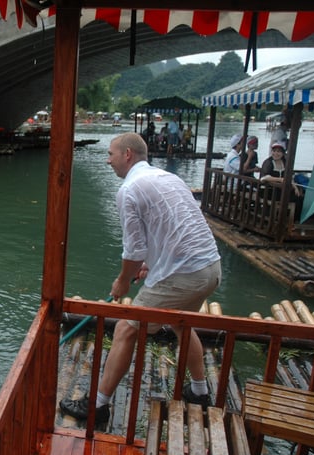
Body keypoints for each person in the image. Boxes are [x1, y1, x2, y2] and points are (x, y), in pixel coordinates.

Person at [60, 132, 221, 423]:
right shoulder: (168, 178)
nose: (108, 160)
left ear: (128, 155)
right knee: (181, 324)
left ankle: (97, 406)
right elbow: (175, 229)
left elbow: (133, 249)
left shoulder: (129, 190)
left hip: (183, 274)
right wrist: (149, 263)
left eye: (111, 154)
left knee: (126, 328)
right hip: (210, 268)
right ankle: (198, 391)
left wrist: (124, 279)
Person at [260, 141, 302, 217]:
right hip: (269, 190)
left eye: (279, 151)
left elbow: (290, 176)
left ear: (283, 153)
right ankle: (279, 216)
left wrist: (295, 187)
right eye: (274, 151)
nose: (276, 154)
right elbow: (264, 178)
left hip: (281, 190)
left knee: (299, 197)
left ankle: (293, 219)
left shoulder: (285, 162)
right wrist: (280, 179)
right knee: (290, 197)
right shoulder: (268, 162)